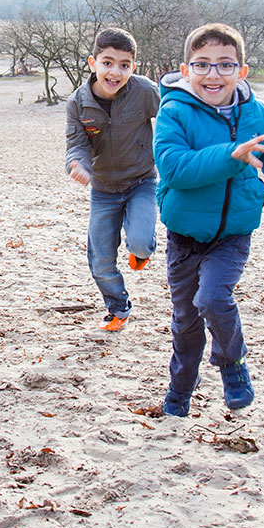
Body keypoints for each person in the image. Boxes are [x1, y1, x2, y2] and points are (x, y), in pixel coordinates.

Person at [153, 22, 264, 417]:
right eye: (202, 65)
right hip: (183, 235)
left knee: (213, 298)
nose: (213, 74)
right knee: (185, 322)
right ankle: (181, 388)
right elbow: (173, 168)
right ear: (186, 70)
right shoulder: (174, 112)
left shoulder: (261, 117)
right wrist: (229, 156)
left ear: (242, 71)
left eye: (225, 65)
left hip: (233, 234)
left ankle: (232, 364)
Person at [64, 27, 161, 332]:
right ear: (93, 63)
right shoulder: (78, 103)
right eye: (107, 62)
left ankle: (141, 249)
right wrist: (77, 164)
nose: (115, 72)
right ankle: (118, 308)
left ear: (133, 67)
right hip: (103, 189)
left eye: (124, 65)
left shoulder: (144, 91)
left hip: (142, 182)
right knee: (101, 259)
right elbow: (76, 143)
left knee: (141, 244)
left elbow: (174, 115)